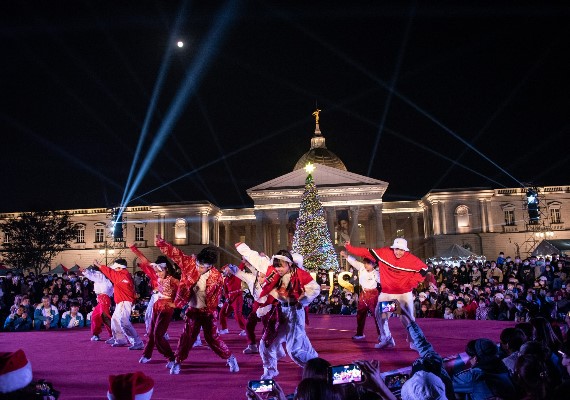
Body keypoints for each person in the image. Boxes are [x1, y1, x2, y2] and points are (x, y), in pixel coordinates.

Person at [236, 242, 321, 380]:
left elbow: (315, 289)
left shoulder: (300, 274)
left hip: (294, 314)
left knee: (294, 351)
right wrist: (241, 247)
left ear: (289, 264)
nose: (278, 269)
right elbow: (254, 257)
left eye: (281, 266)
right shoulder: (270, 269)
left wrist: (302, 301)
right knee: (266, 343)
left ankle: (317, 367)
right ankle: (270, 370)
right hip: (279, 312)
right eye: (276, 266)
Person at [155, 235, 239, 375]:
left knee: (212, 338)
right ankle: (177, 361)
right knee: (186, 337)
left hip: (208, 312)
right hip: (192, 309)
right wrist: (161, 243)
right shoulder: (189, 264)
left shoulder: (216, 276)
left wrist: (211, 310)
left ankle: (230, 357)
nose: (199, 268)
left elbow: (216, 296)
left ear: (210, 266)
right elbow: (176, 254)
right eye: (198, 265)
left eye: (202, 267)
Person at [345, 238, 428, 350]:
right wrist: (350, 248)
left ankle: (414, 342)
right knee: (381, 315)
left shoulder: (411, 259)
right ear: (393, 248)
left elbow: (424, 269)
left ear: (406, 250)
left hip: (403, 295)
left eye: (401, 250)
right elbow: (366, 252)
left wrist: (413, 282)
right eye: (396, 249)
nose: (398, 252)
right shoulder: (384, 253)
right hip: (388, 294)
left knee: (407, 319)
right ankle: (387, 339)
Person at [129, 244, 179, 368]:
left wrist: (177, 304)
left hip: (166, 307)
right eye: (156, 271)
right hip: (157, 303)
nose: (158, 274)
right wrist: (134, 249)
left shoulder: (174, 280)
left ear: (166, 269)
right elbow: (145, 261)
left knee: (157, 335)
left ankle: (171, 357)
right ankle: (147, 354)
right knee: (151, 332)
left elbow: (185, 291)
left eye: (160, 271)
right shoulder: (156, 274)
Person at [97, 258, 144, 350]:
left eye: (115, 268)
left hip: (124, 302)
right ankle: (119, 339)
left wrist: (99, 265)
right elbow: (112, 273)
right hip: (122, 301)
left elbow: (111, 273)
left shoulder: (123, 277)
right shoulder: (123, 275)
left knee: (124, 322)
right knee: (115, 319)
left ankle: (137, 342)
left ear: (119, 268)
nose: (114, 269)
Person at [452, 338, 516, 400]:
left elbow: (448, 383)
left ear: (475, 358)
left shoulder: (474, 375)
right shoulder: (504, 367)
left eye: (470, 357)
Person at [227, 258, 267, 354]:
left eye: (263, 277)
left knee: (268, 327)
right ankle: (252, 345)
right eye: (259, 276)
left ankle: (269, 347)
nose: (261, 279)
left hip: (269, 305)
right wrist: (231, 268)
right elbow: (240, 273)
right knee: (249, 325)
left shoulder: (272, 279)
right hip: (257, 304)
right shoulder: (252, 279)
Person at [340, 250, 381, 340]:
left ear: (373, 264)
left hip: (373, 295)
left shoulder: (377, 274)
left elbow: (384, 283)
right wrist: (346, 256)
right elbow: (354, 262)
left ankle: (382, 335)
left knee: (377, 315)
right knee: (360, 314)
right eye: (365, 263)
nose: (366, 265)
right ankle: (359, 334)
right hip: (363, 294)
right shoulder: (362, 267)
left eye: (368, 263)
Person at [82, 265, 113, 341]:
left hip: (104, 298)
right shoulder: (103, 277)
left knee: (105, 317)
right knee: (95, 316)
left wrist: (85, 271)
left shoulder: (100, 275)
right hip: (101, 299)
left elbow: (92, 276)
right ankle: (96, 334)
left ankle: (115, 335)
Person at [219, 264, 247, 336]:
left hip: (237, 298)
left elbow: (240, 267)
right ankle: (224, 329)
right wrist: (227, 298)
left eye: (226, 270)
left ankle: (245, 329)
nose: (224, 271)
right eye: (224, 270)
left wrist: (243, 262)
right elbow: (225, 291)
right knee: (222, 313)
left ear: (230, 270)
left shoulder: (236, 276)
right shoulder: (225, 280)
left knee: (237, 314)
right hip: (229, 299)